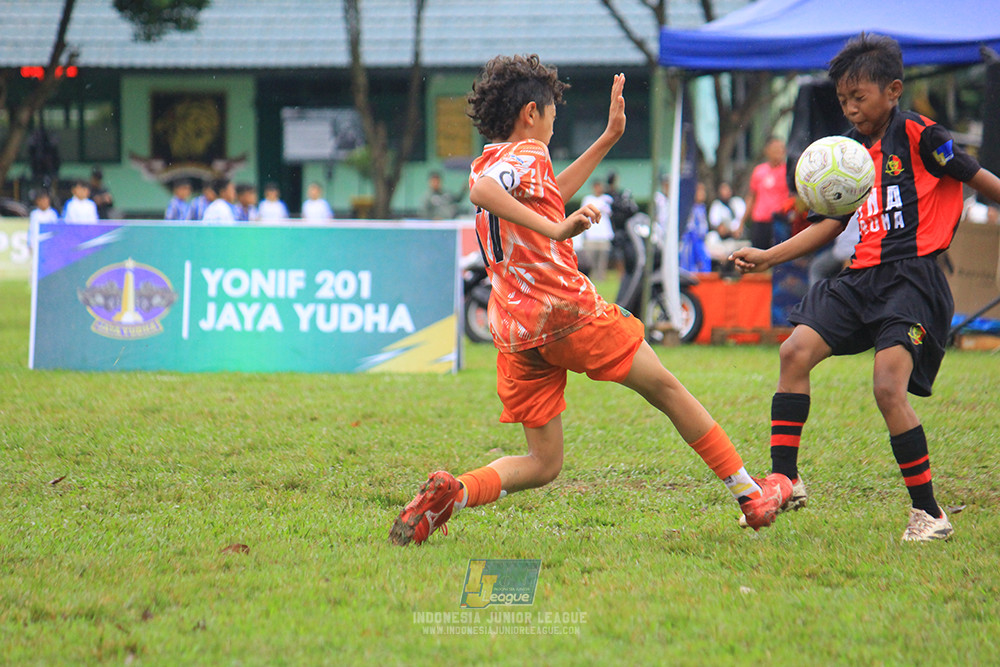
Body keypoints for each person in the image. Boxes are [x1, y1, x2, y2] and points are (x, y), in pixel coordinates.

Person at [389, 54, 791, 547]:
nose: (553, 128)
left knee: (544, 463)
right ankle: (751, 494)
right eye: (554, 116)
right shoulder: (522, 157)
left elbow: (543, 193)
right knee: (666, 388)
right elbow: (486, 192)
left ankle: (455, 493)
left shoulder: (491, 157)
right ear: (531, 114)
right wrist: (558, 229)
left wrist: (607, 139)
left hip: (516, 332)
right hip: (566, 312)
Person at [730, 33, 1000, 542]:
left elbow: (977, 175)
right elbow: (827, 225)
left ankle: (929, 514)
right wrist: (767, 255)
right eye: (842, 101)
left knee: (886, 387)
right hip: (860, 277)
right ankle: (786, 477)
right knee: (794, 351)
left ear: (893, 90)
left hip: (913, 279)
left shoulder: (922, 134)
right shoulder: (849, 155)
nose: (851, 109)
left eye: (860, 98)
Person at [741, 136, 789, 249]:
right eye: (775, 149)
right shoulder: (759, 170)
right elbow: (752, 196)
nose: (779, 152)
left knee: (779, 256)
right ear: (767, 151)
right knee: (757, 255)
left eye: (781, 149)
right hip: (760, 220)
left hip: (779, 221)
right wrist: (742, 222)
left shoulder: (788, 171)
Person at [706, 181, 749, 269]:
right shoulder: (716, 205)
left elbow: (741, 220)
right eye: (722, 189)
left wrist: (736, 230)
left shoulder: (737, 202)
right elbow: (717, 225)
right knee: (711, 239)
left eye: (727, 189)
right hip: (723, 238)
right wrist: (727, 230)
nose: (725, 192)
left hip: (737, 237)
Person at [807, 214, 859, 286]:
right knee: (818, 267)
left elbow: (849, 245)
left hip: (854, 250)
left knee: (847, 280)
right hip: (844, 249)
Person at [578, 179, 614, 281]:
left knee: (602, 261)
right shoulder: (588, 199)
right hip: (591, 235)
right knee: (590, 260)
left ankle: (601, 278)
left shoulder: (606, 199)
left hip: (604, 235)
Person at [679, 181, 711, 272]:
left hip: (700, 241)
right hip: (692, 241)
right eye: (700, 191)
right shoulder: (690, 209)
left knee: (705, 261)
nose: (703, 194)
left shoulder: (701, 208)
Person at [28, 189, 58, 254]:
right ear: (37, 201)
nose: (43, 202)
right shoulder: (34, 214)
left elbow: (56, 231)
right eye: (41, 200)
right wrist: (30, 244)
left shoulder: (52, 214)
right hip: (36, 244)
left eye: (45, 200)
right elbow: (31, 230)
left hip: (49, 245)